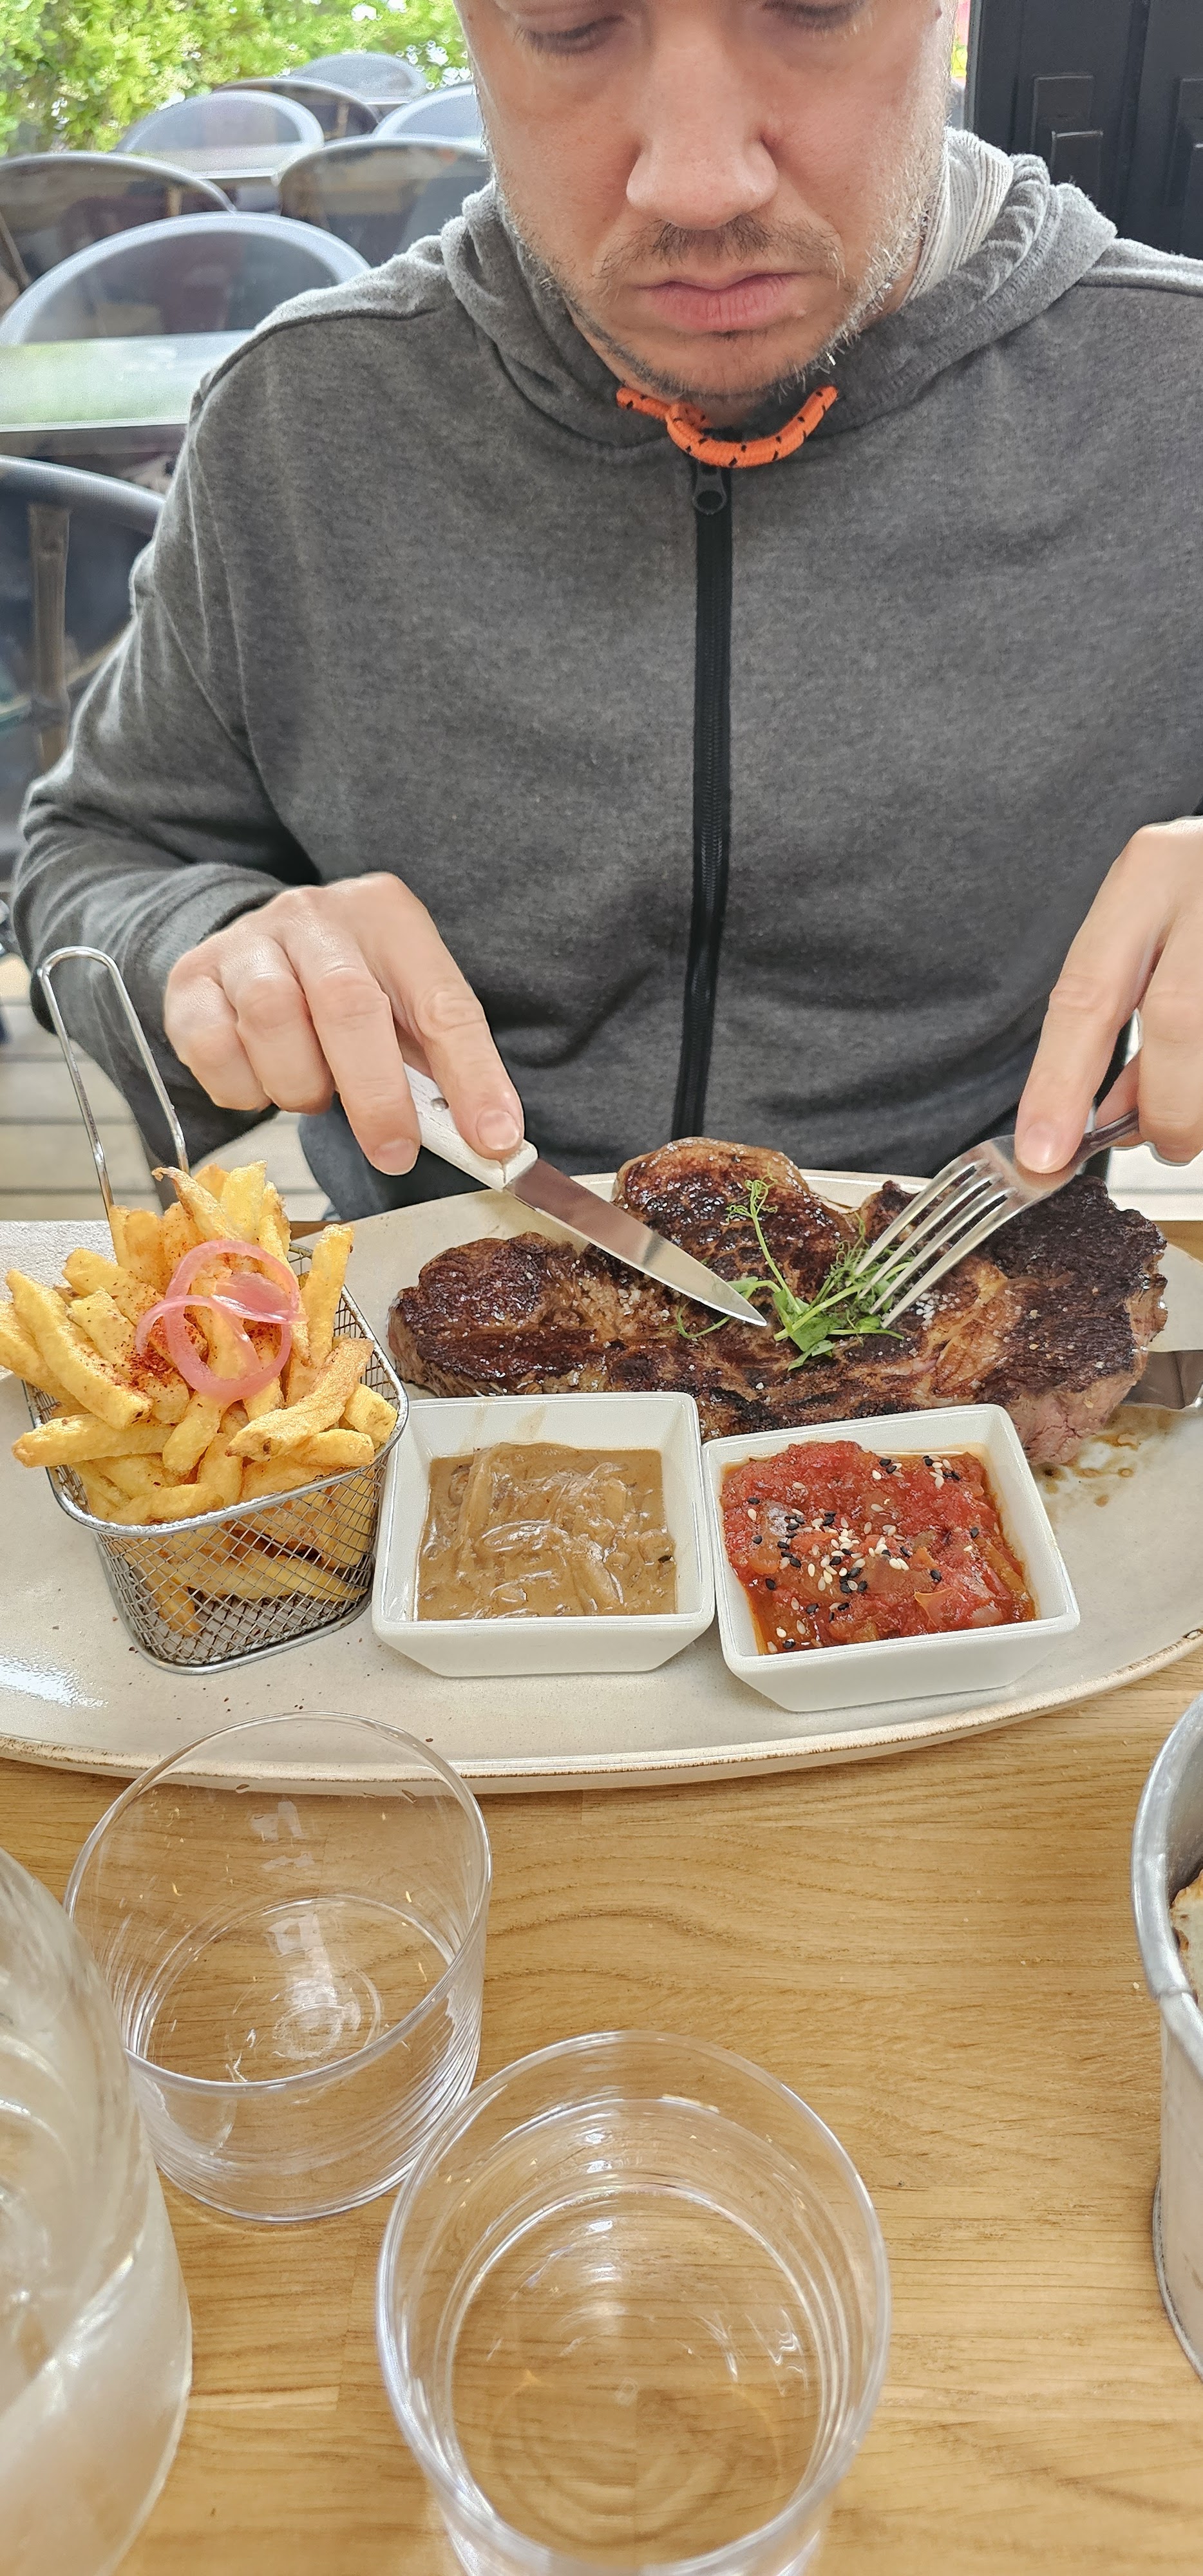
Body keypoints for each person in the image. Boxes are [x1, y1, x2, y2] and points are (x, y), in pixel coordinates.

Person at [14, 0, 1203, 1217]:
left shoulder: (1178, 397)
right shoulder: (300, 416)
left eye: (814, 7)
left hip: (985, 1305)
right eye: (568, 22)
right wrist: (213, 945)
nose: (699, 185)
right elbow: (89, 855)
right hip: (411, 1299)